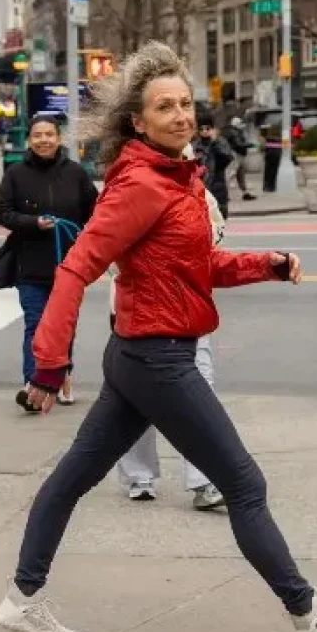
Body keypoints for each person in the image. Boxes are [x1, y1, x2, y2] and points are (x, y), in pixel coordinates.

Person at [0, 41, 317, 632]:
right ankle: (311, 616)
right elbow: (77, 267)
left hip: (141, 354)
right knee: (243, 482)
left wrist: (265, 264)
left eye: (185, 104)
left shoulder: (176, 177)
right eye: (165, 107)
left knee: (74, 477)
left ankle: (21, 600)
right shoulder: (140, 185)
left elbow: (198, 265)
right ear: (138, 122)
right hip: (157, 358)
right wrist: (48, 365)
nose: (181, 115)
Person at [114, 170, 225, 511]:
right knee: (135, 400)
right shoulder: (127, 190)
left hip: (189, 314)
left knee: (199, 395)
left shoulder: (198, 194)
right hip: (139, 316)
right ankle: (139, 475)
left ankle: (205, 479)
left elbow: (216, 238)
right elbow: (105, 253)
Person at [0, 115, 98, 408]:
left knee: (64, 326)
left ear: (58, 138)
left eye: (49, 134)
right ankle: (33, 383)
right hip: (30, 264)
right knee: (35, 324)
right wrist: (33, 222)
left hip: (69, 265)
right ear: (29, 140)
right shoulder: (15, 174)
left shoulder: (76, 173)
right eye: (37, 135)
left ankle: (62, 379)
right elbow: (4, 212)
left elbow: (96, 211)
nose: (43, 140)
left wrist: (84, 237)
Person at [192, 115, 234, 219]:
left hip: (218, 184)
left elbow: (228, 158)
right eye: (201, 129)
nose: (204, 131)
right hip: (201, 187)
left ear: (213, 129)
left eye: (207, 128)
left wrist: (215, 143)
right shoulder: (195, 145)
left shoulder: (220, 142)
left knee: (220, 216)